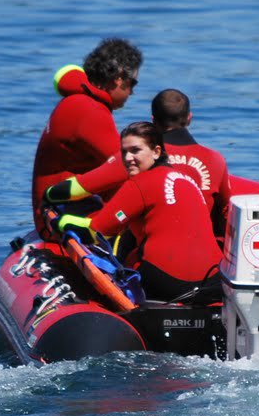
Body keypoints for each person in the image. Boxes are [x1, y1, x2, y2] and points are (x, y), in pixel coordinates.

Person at [56, 122, 221, 302]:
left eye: (135, 150)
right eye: (124, 152)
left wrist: (61, 221)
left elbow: (97, 231)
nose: (127, 158)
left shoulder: (140, 183)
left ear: (157, 152)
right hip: (213, 282)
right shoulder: (187, 180)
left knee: (127, 257)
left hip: (168, 283)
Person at [30, 37, 142, 231]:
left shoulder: (79, 101)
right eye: (133, 83)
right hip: (60, 219)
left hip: (59, 208)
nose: (132, 92)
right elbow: (126, 166)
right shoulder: (89, 110)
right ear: (119, 77)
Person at [149, 88, 232, 235]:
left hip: (154, 245)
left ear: (153, 120)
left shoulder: (143, 157)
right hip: (204, 249)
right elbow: (226, 210)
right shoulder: (215, 159)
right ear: (189, 118)